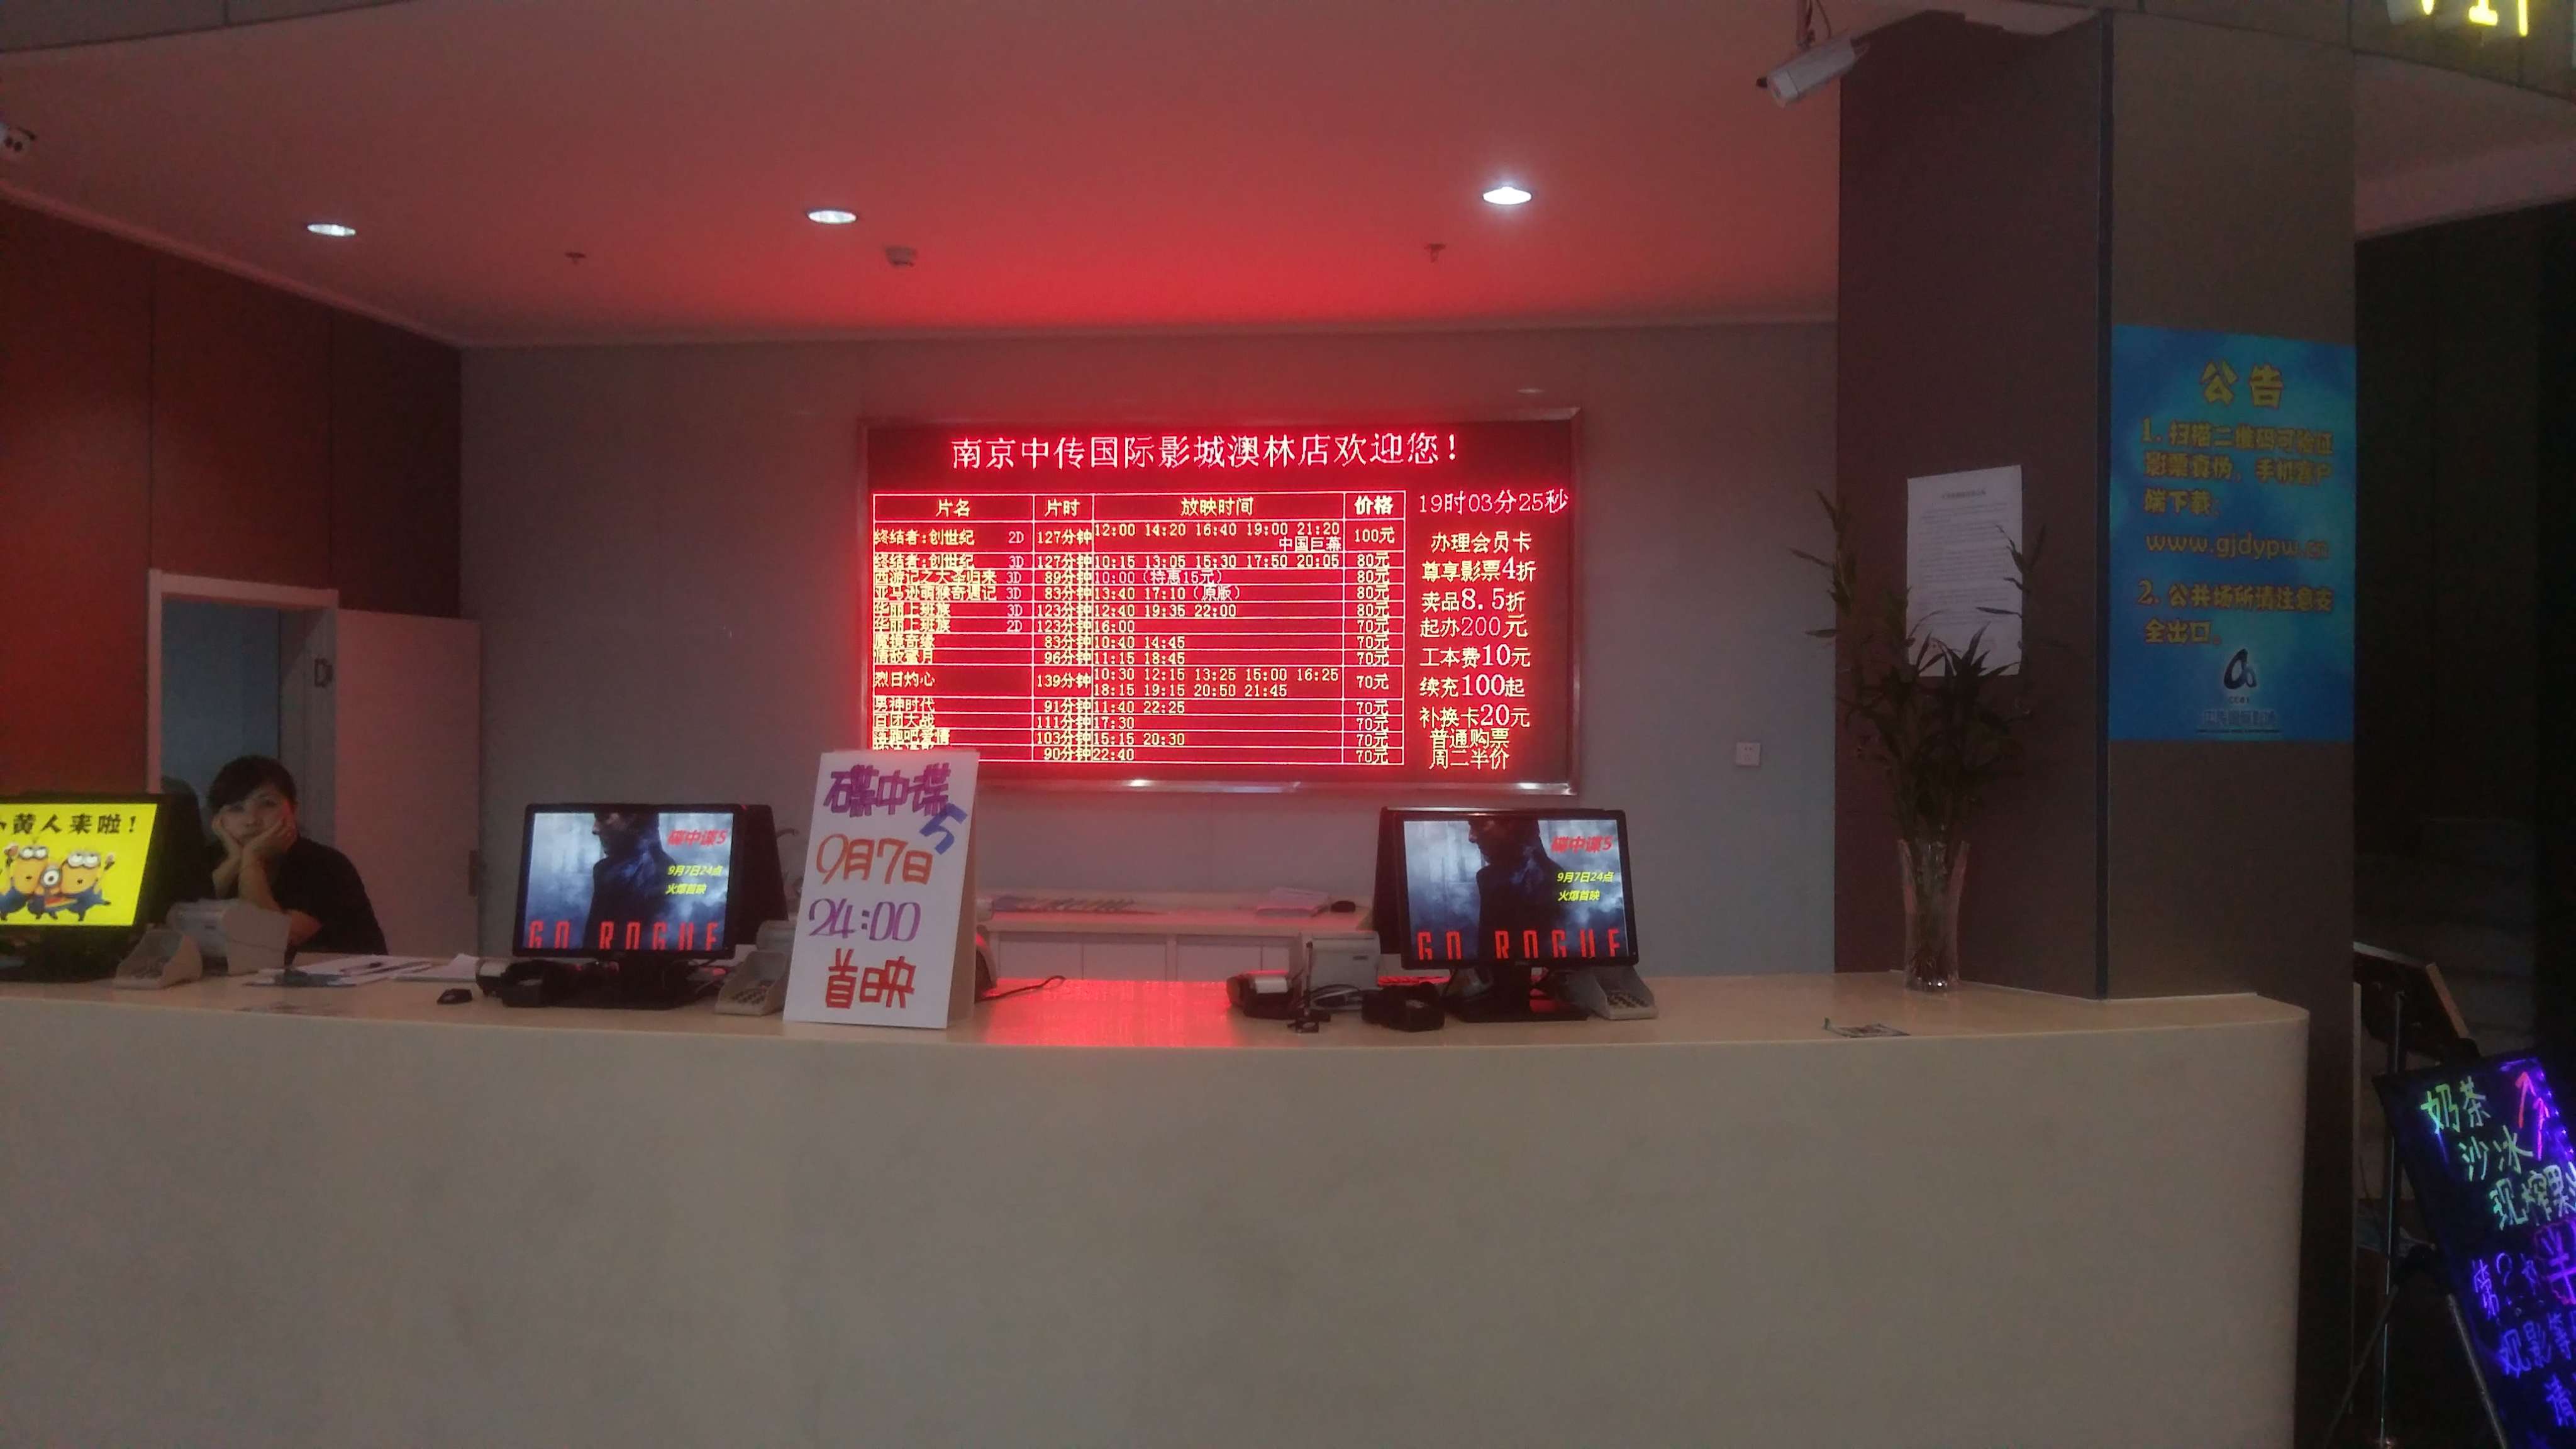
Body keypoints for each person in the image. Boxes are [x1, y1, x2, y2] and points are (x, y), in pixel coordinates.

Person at [207, 755, 386, 958]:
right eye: (236, 809)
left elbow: (267, 941)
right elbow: (185, 921)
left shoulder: (324, 865)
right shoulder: (207, 858)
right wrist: (234, 862)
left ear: (293, 809)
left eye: (267, 804)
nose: (251, 820)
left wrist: (251, 860)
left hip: (342, 975)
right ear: (218, 819)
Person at [582, 809, 676, 952]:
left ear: (633, 819)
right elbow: (592, 946)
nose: (595, 829)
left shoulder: (659, 870)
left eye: (604, 817)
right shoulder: (605, 870)